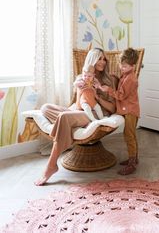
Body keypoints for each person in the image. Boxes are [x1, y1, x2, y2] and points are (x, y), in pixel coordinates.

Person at [35, 48, 117, 186]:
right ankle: (70, 121)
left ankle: (51, 166)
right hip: (79, 109)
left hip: (95, 114)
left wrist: (97, 96)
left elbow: (112, 108)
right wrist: (81, 88)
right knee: (45, 108)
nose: (103, 62)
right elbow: (78, 103)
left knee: (63, 118)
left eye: (104, 59)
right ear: (92, 60)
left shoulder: (109, 80)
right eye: (99, 58)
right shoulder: (82, 77)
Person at [99, 47, 140, 175]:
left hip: (131, 111)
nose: (122, 68)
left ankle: (132, 163)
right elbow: (121, 84)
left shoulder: (131, 79)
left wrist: (108, 90)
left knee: (129, 135)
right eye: (121, 65)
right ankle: (134, 158)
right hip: (127, 110)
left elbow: (121, 95)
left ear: (133, 66)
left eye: (125, 66)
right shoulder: (126, 75)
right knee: (130, 135)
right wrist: (115, 77)